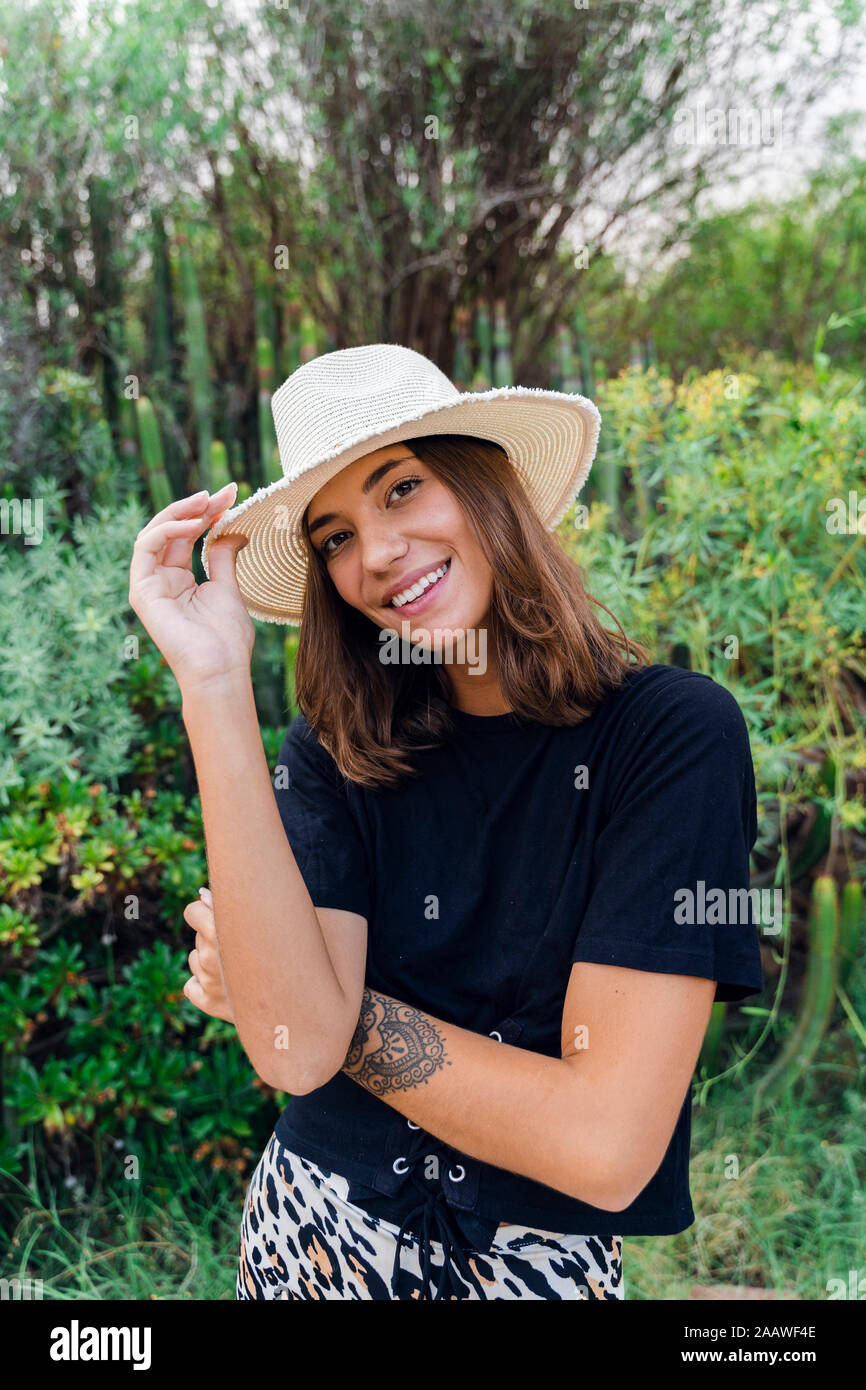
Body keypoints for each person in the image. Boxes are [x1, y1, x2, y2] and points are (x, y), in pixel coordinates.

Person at [128, 344, 764, 1301]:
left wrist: (306, 989)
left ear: (487, 482)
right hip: (308, 1239)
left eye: (401, 489)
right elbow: (290, 1053)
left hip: (534, 1265)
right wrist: (212, 683)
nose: (376, 555)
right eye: (334, 536)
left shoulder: (672, 737)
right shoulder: (336, 744)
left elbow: (604, 1148)